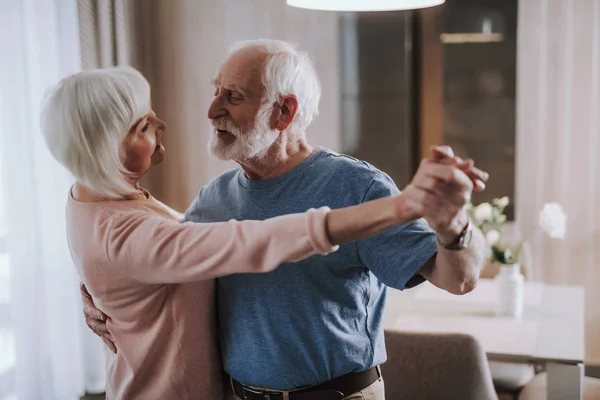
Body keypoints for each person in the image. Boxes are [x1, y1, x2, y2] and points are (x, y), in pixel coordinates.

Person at [84, 40, 488, 399]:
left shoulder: (358, 188)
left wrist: (454, 226)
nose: (212, 110)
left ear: (283, 111)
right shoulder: (213, 199)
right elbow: (161, 268)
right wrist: (99, 296)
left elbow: (458, 279)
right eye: (215, 91)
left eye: (233, 96)